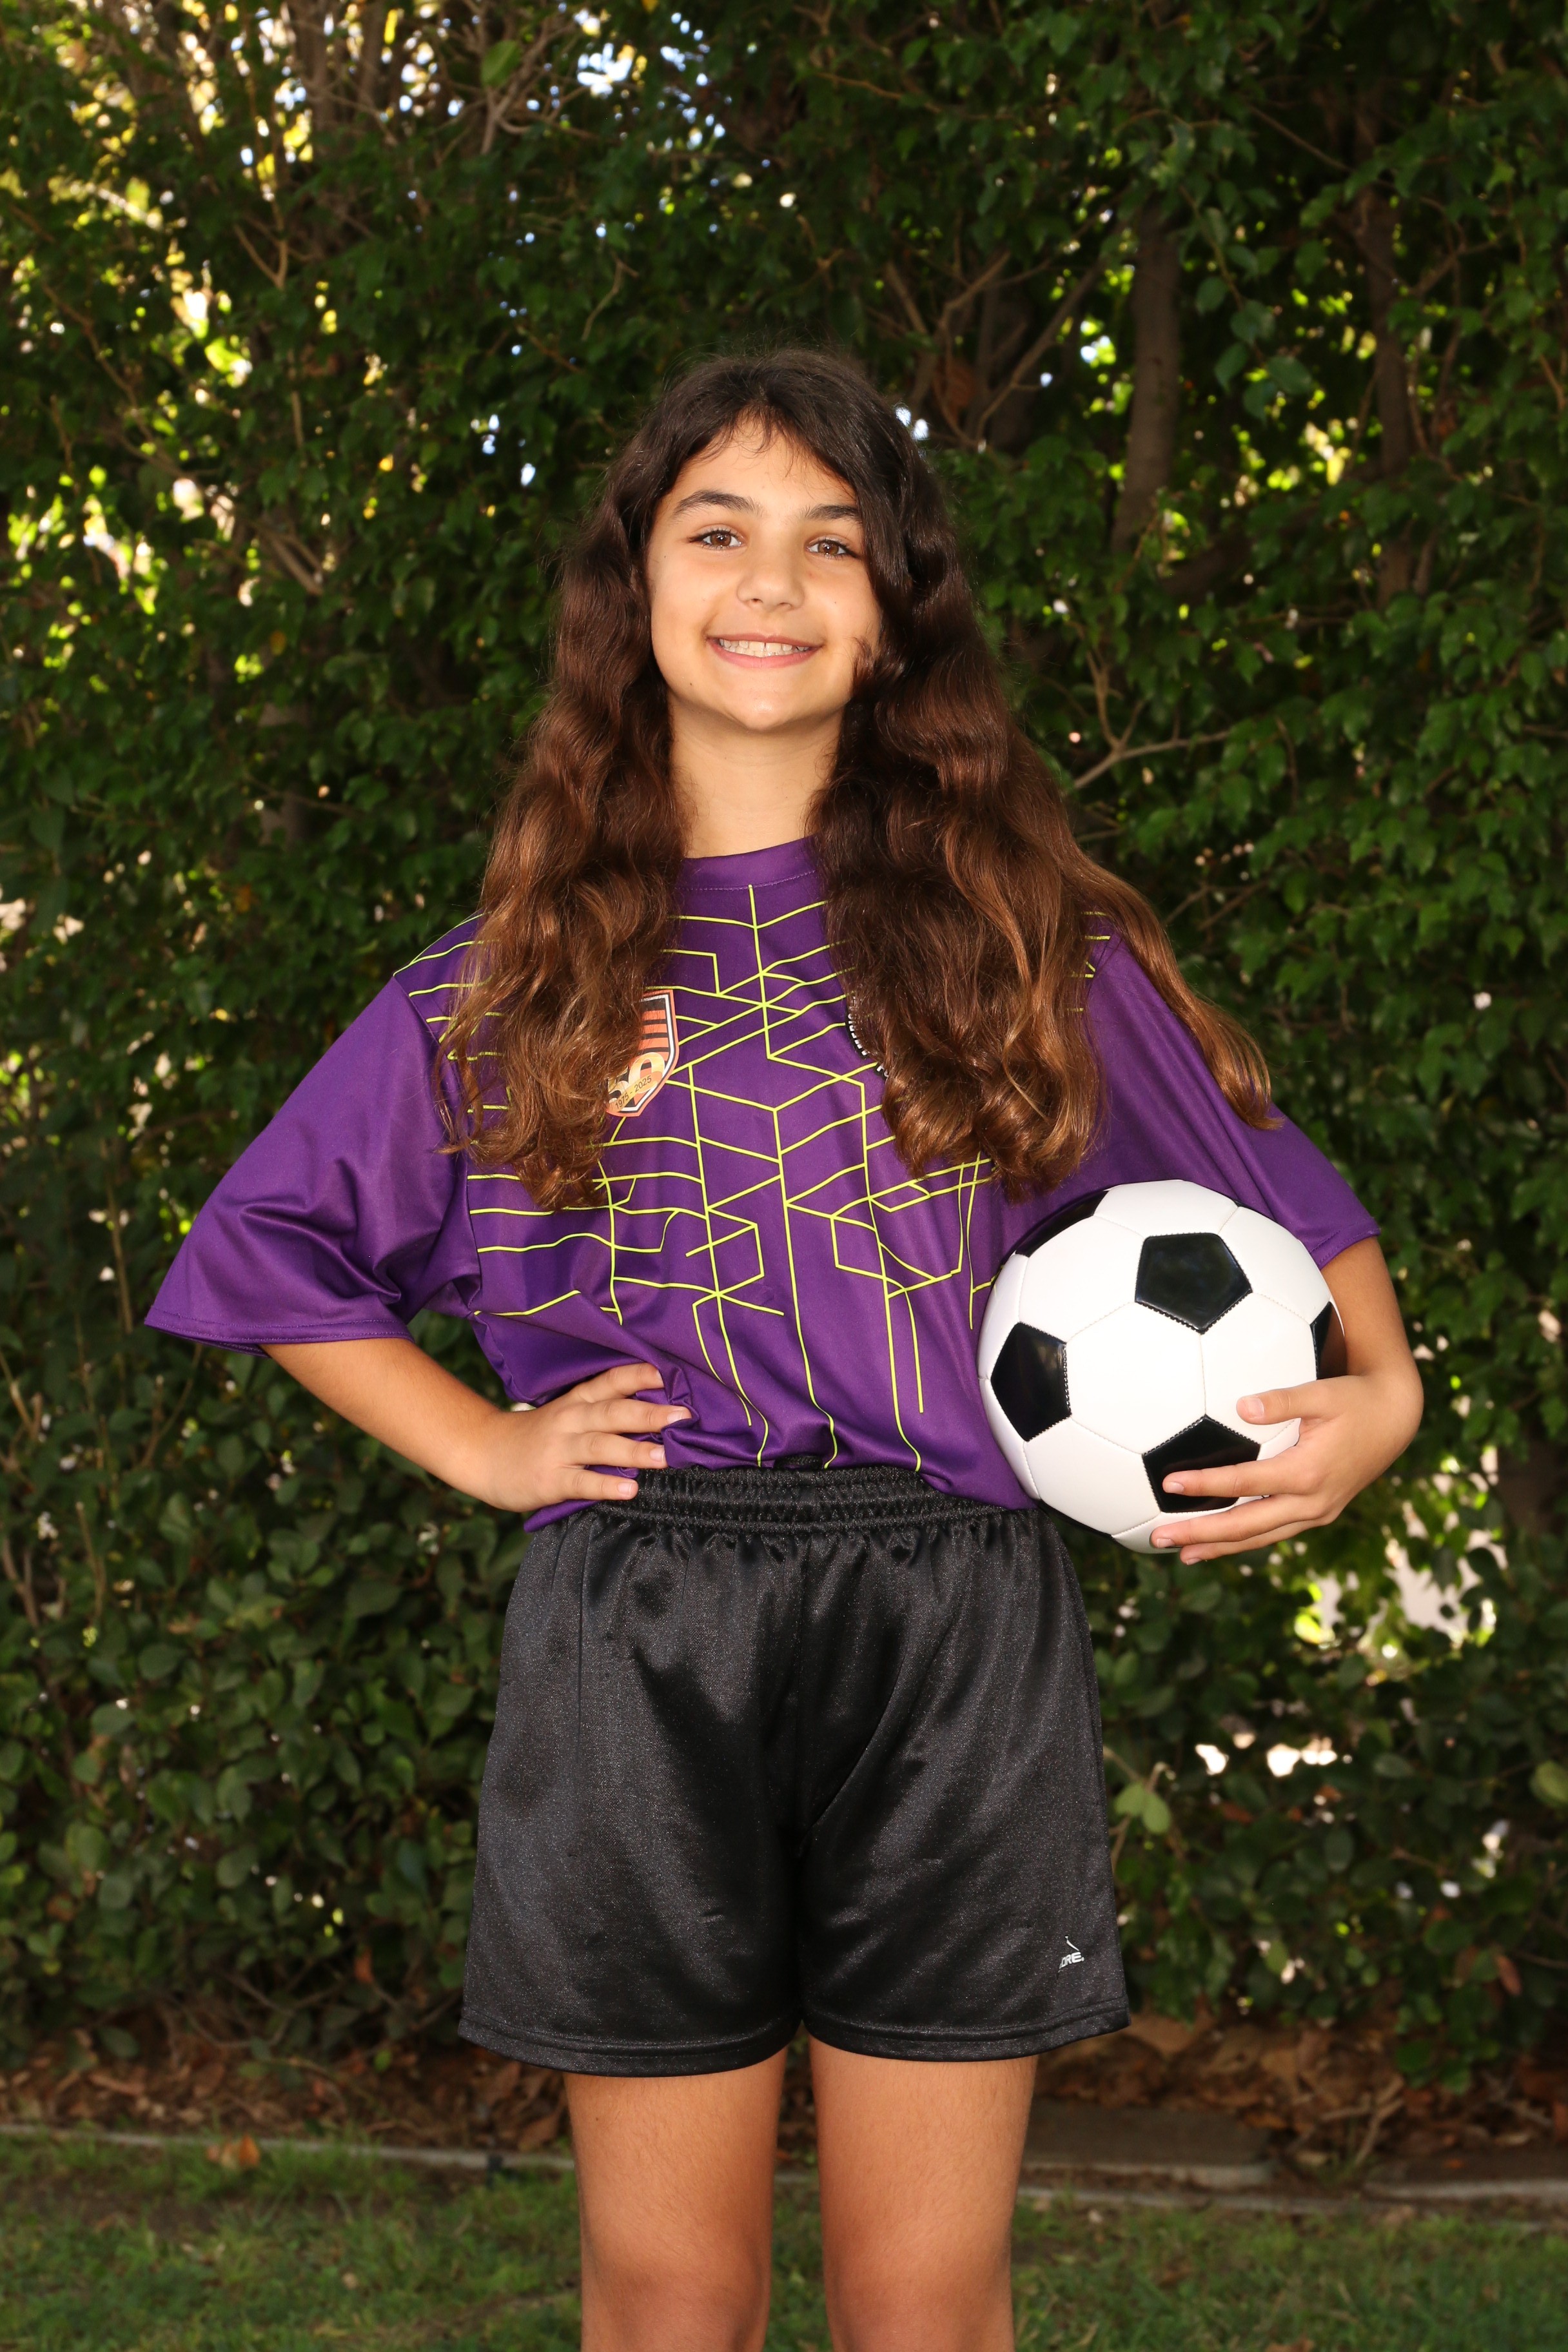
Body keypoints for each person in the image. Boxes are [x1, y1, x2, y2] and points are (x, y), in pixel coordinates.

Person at [148, 349, 1423, 2351]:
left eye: (833, 543)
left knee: (927, 2297)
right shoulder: (512, 984)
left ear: (895, 613)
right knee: (671, 2296)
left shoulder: (1021, 945)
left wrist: (1387, 1390)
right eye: (717, 530)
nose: (771, 580)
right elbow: (271, 1241)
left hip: (955, 1623)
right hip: (642, 1628)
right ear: (633, 587)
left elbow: (1278, 1187)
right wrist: (488, 1448)